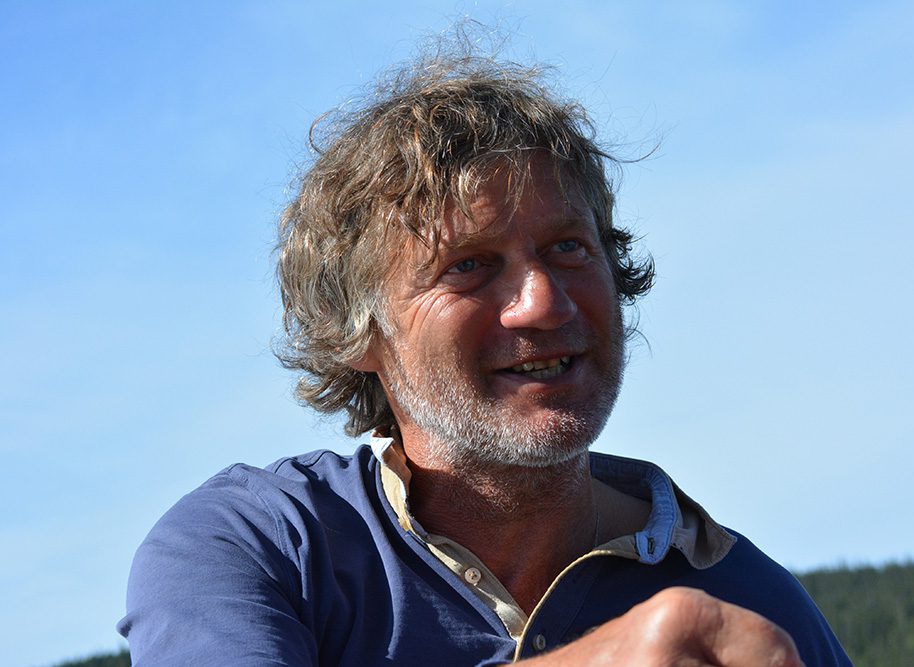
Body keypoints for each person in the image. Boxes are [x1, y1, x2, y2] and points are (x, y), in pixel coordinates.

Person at [118, 47, 852, 666]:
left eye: (568, 247)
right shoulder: (258, 547)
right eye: (468, 264)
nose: (544, 303)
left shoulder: (753, 604)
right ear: (360, 333)